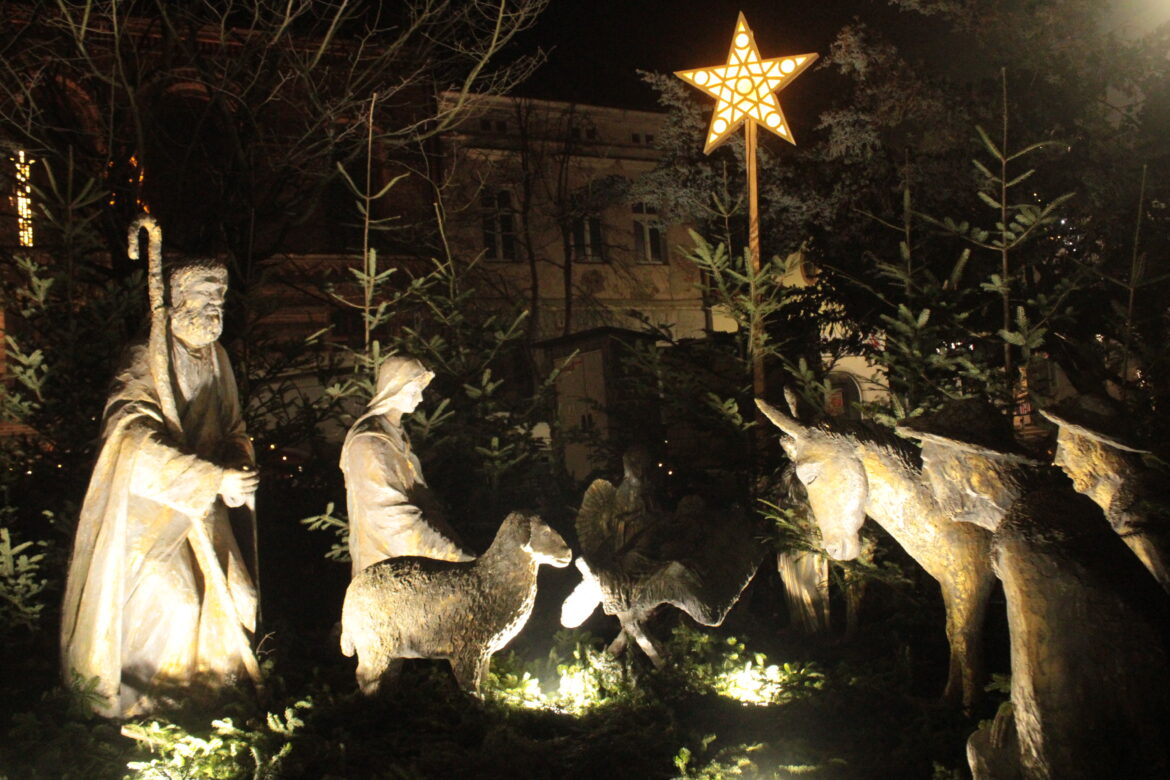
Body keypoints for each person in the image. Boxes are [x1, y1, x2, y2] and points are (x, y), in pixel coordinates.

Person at [61, 258, 259, 718]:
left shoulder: (218, 358)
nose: (215, 305)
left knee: (241, 598)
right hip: (151, 509)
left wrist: (237, 465)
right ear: (178, 300)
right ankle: (149, 712)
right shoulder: (145, 356)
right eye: (206, 295)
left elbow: (233, 427)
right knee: (179, 603)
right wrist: (210, 477)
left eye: (220, 296)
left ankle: (215, 701)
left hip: (204, 502)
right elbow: (130, 437)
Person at [340, 356, 473, 577]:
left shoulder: (396, 436)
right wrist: (452, 555)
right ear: (392, 389)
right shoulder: (370, 443)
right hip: (385, 572)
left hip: (412, 566)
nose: (420, 398)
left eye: (420, 390)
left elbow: (423, 500)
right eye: (413, 390)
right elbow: (393, 520)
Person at [1040, 396, 1170, 593]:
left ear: (1097, 450)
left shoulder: (1135, 514)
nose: (1059, 461)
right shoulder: (1131, 504)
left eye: (1065, 448)